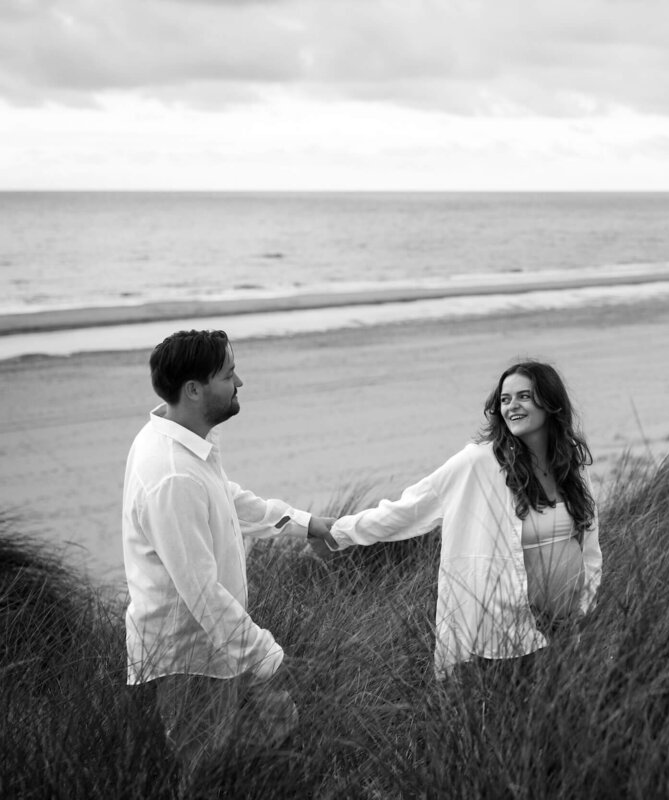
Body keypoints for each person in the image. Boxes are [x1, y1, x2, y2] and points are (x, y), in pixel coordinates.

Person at [121, 329, 333, 790]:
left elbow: (227, 498)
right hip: (189, 660)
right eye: (228, 375)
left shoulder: (185, 443)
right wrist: (268, 657)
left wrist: (305, 524)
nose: (240, 383)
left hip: (219, 648)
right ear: (194, 390)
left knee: (277, 733)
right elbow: (200, 592)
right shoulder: (172, 474)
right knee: (205, 777)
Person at [311, 360, 601, 678]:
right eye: (505, 399)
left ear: (550, 401)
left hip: (569, 624)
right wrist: (340, 532)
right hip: (514, 630)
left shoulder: (570, 462)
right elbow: (412, 507)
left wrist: (588, 601)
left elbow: (589, 542)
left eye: (524, 396)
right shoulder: (479, 462)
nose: (512, 406)